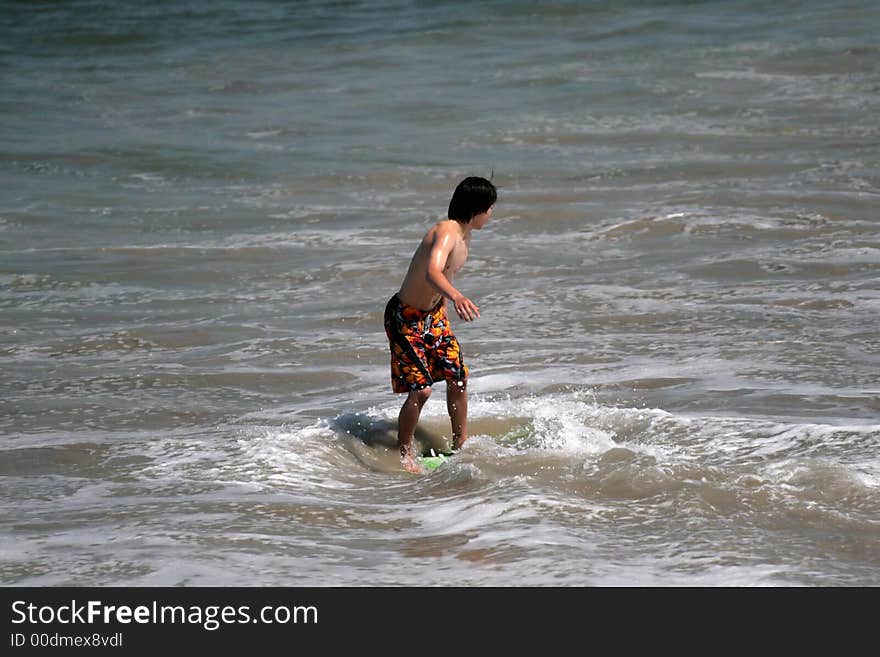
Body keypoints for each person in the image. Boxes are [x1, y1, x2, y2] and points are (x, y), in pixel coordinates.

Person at [383, 176, 497, 473]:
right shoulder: (446, 233)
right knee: (421, 391)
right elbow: (432, 273)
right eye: (490, 208)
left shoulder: (464, 235)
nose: (492, 214)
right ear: (478, 209)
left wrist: (443, 306)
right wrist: (458, 297)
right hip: (405, 318)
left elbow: (443, 277)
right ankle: (404, 451)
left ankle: (461, 442)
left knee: (457, 376)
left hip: (433, 317)